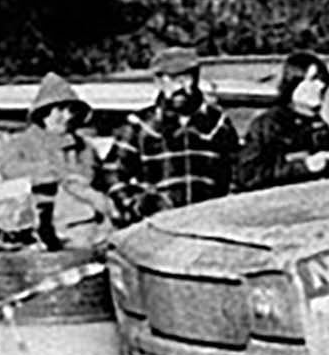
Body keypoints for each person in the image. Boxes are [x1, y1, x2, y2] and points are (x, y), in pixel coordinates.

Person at [103, 46, 242, 225]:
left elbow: (237, 172)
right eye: (170, 79)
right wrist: (137, 204)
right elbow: (112, 172)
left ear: (196, 78)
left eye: (185, 78)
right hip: (160, 228)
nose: (178, 87)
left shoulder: (218, 123)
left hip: (209, 224)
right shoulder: (141, 124)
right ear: (158, 82)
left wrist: (228, 206)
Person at [0, 73, 115, 250]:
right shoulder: (21, 144)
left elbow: (97, 181)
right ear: (44, 113)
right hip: (36, 230)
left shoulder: (84, 147)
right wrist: (56, 174)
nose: (66, 117)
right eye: (59, 110)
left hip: (82, 230)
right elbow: (10, 171)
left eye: (71, 111)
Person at [238, 52, 329, 191]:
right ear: (294, 82)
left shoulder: (319, 126)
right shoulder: (269, 125)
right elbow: (249, 175)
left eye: (323, 79)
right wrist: (303, 167)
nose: (321, 86)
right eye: (312, 79)